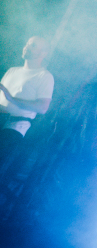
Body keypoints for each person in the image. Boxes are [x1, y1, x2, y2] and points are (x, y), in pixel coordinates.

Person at [0, 36, 54, 179]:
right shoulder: (12, 70)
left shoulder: (44, 76)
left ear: (43, 53)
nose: (26, 47)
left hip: (14, 127)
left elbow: (43, 108)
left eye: (33, 46)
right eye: (27, 44)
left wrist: (11, 99)